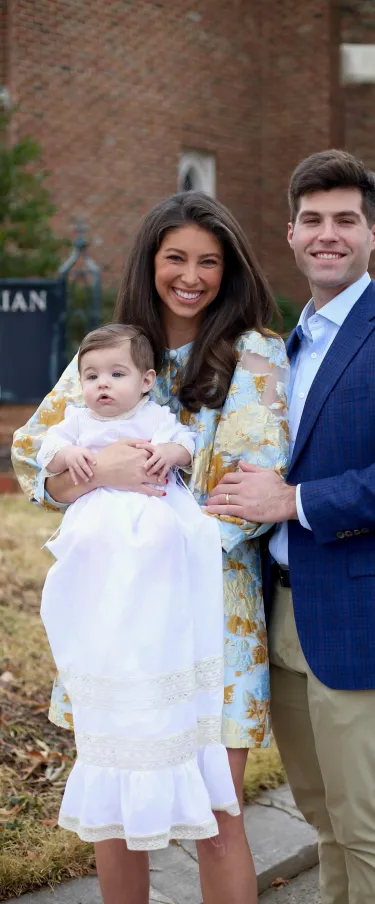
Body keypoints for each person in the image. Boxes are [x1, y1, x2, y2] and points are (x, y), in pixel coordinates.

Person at [12, 192, 289, 904]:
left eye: (208, 261)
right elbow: (31, 455)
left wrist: (121, 494)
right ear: (151, 262)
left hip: (209, 612)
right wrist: (103, 473)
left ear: (228, 270)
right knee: (115, 816)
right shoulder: (109, 350)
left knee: (219, 818)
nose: (190, 275)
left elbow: (247, 490)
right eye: (176, 258)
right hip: (112, 612)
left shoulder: (253, 351)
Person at [207, 149, 375, 904]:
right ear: (289, 233)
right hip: (284, 613)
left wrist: (291, 501)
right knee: (322, 817)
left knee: (368, 821)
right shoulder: (282, 348)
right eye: (312, 220)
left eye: (345, 220)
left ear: (374, 233)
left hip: (370, 617)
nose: (328, 234)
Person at [37, 322, 239, 850]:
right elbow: (47, 448)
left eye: (116, 374)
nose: (102, 384)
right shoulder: (77, 421)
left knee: (164, 552)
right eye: (92, 375)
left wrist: (172, 455)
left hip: (152, 523)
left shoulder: (153, 416)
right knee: (77, 574)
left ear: (147, 380)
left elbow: (184, 441)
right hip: (100, 531)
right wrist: (71, 459)